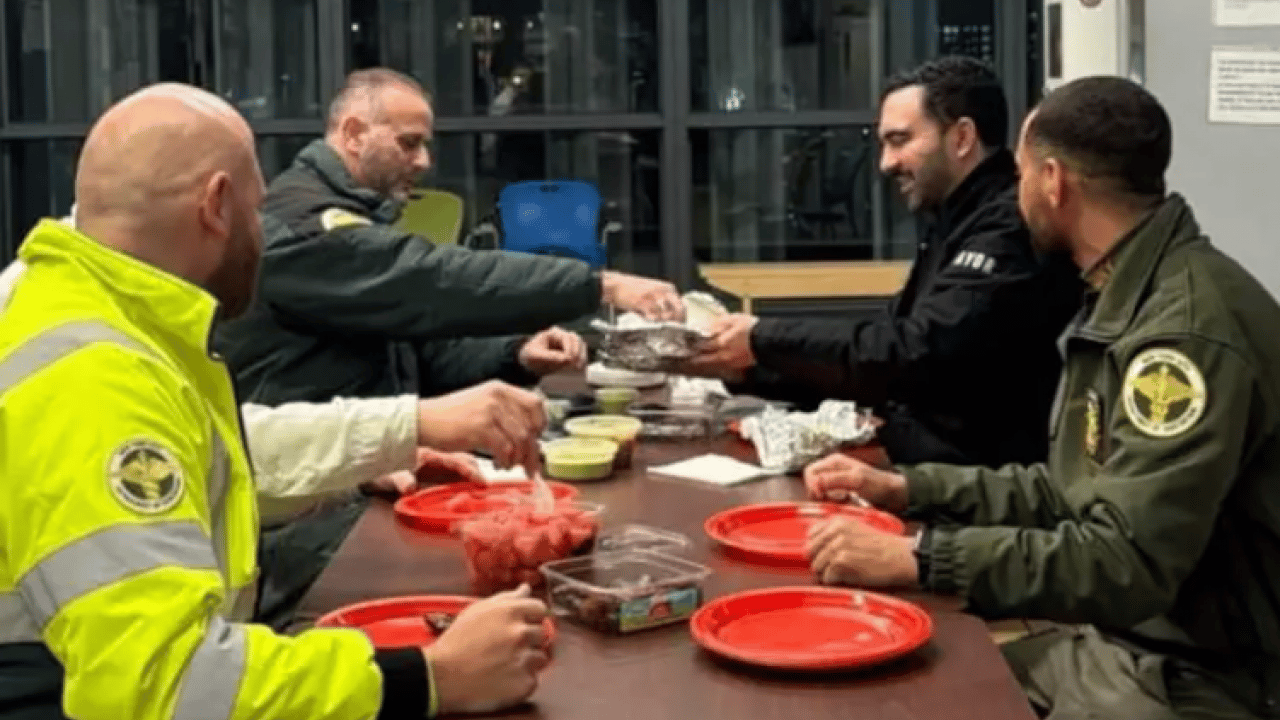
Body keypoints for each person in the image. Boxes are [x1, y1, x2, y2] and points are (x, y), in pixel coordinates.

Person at [0, 83, 550, 719]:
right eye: (257, 213)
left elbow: (208, 459)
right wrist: (430, 676)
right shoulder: (93, 376)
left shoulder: (89, 310)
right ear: (217, 206)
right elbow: (167, 686)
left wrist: (400, 432)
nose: (263, 236)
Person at [801, 76, 1280, 719]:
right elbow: (1071, 492)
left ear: (1052, 181)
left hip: (1196, 678)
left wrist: (921, 557)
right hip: (1127, 642)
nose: (1015, 195)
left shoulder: (1181, 336)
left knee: (910, 698)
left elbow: (1123, 563)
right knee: (917, 681)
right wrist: (910, 490)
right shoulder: (1130, 289)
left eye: (1020, 175)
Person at [683, 57, 1082, 467]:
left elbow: (915, 353)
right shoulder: (954, 219)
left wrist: (762, 339)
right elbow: (879, 348)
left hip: (974, 496)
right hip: (925, 472)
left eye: (900, 140)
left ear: (962, 137)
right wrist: (743, 368)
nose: (886, 163)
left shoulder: (1007, 227)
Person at [216, 67, 683, 407]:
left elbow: (422, 353)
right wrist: (603, 285)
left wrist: (516, 353)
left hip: (369, 468)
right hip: (310, 498)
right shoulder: (308, 223)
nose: (423, 162)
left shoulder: (351, 213)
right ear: (354, 134)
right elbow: (430, 280)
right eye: (408, 143)